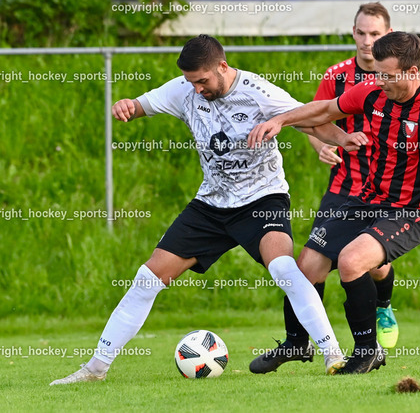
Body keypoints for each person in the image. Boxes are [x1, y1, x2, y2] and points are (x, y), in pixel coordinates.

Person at [50, 34, 367, 385]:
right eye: (191, 82)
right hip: (211, 205)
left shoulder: (258, 92)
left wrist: (342, 139)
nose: (197, 89)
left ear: (222, 67)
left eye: (202, 81)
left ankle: (332, 355)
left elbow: (309, 118)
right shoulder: (184, 89)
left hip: (262, 200)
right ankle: (95, 369)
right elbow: (141, 105)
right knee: (147, 279)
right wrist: (127, 106)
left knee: (284, 268)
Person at [248, 31, 420, 374]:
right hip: (366, 200)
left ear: (413, 72)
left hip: (412, 211)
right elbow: (325, 109)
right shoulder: (373, 90)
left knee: (352, 261)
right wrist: (280, 120)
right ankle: (297, 342)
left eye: (388, 75)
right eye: (377, 73)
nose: (380, 81)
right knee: (306, 267)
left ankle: (367, 350)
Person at [249, 2, 399, 375]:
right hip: (345, 188)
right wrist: (321, 146)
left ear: (388, 35)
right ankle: (296, 342)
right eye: (361, 33)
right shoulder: (337, 76)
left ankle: (382, 310)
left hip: (385, 193)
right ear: (353, 33)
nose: (367, 41)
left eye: (375, 34)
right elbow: (316, 117)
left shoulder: (398, 81)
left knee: (376, 267)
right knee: (306, 267)